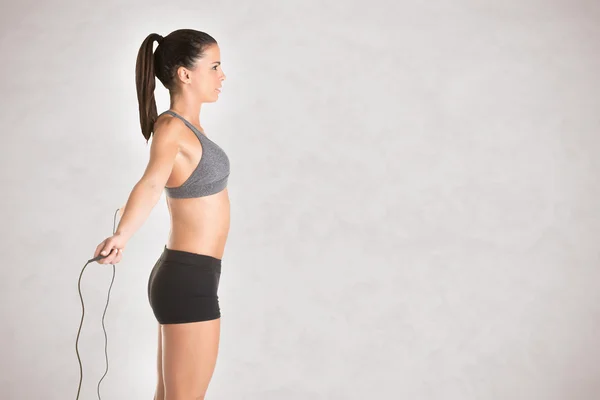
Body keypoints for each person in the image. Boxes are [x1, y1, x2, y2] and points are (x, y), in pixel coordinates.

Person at [92, 29, 229, 400]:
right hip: (188, 279)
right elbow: (151, 185)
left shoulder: (188, 128)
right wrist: (121, 236)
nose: (222, 76)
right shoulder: (171, 128)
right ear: (185, 74)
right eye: (214, 66)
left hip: (192, 275)